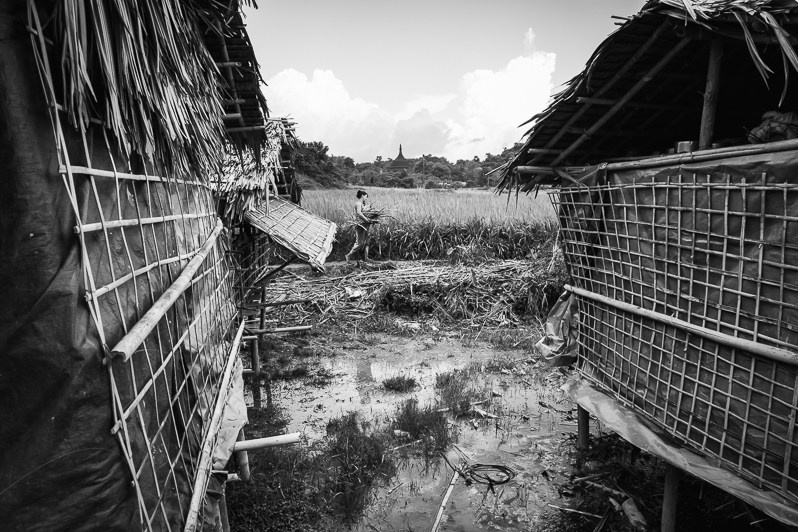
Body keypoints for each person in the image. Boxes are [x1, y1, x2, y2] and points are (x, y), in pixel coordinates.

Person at [345, 190, 378, 264]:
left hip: (365, 225)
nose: (366, 198)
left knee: (367, 241)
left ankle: (366, 258)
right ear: (362, 195)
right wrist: (366, 220)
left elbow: (365, 212)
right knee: (360, 243)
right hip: (360, 225)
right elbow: (359, 213)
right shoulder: (358, 203)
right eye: (366, 197)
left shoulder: (362, 204)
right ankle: (348, 255)